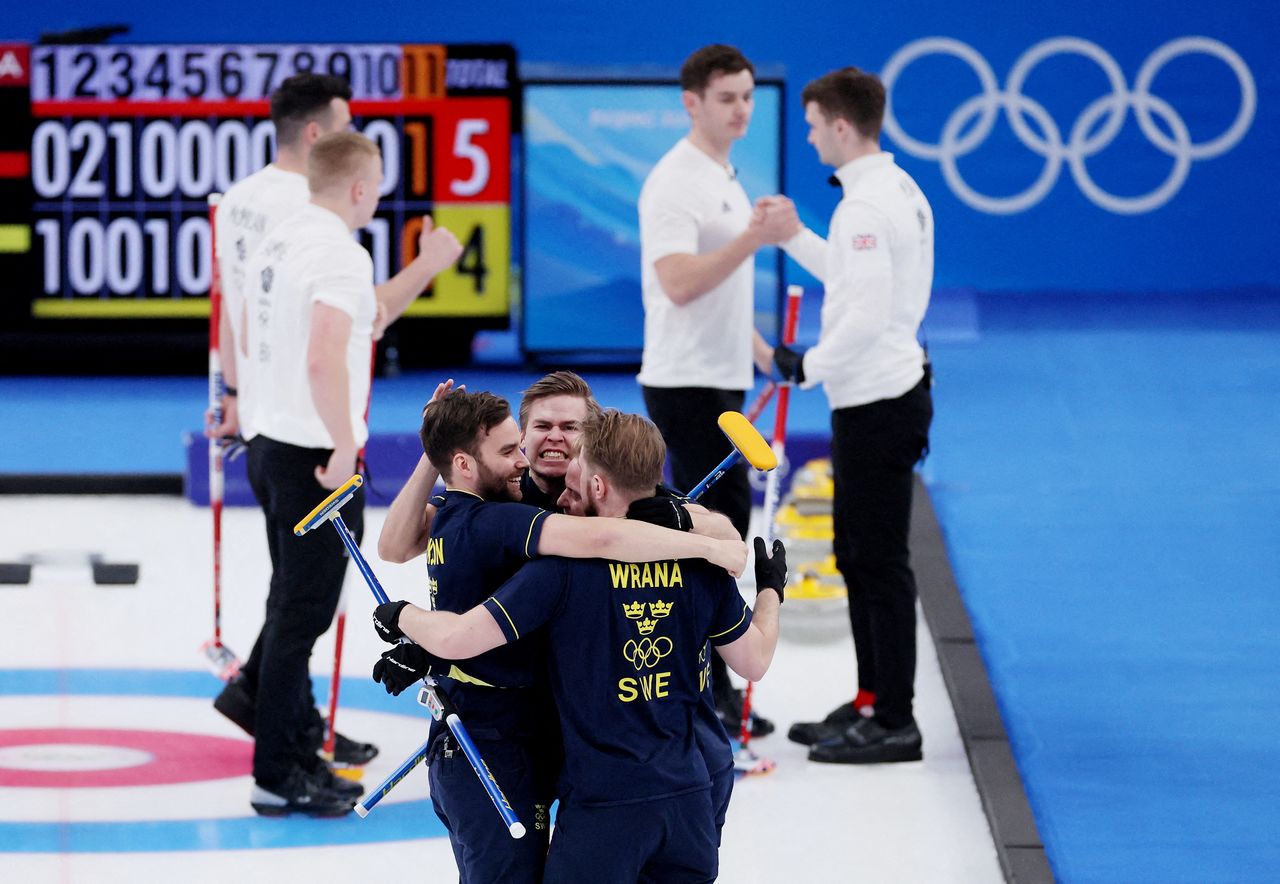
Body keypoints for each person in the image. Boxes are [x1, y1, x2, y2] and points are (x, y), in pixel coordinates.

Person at [373, 410, 786, 883]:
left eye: (574, 477)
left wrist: (403, 618)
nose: (561, 490)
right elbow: (754, 660)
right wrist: (771, 590)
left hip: (604, 809)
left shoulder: (558, 574)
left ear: (597, 487)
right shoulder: (696, 565)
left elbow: (461, 637)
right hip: (689, 800)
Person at [210, 74, 463, 768]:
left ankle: (279, 724)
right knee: (304, 610)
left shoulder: (273, 235)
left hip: (269, 434)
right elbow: (328, 356)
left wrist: (235, 396)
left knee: (296, 599)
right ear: (357, 187)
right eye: (377, 181)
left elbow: (246, 320)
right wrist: (347, 444)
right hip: (310, 445)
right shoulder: (336, 251)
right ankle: (280, 766)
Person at [760, 67, 934, 764]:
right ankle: (871, 700)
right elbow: (858, 279)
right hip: (881, 397)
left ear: (839, 125)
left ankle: (894, 717)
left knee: (877, 562)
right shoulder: (893, 189)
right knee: (860, 557)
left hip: (877, 403)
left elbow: (861, 316)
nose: (808, 138)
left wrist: (804, 366)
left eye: (811, 125)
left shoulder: (866, 207)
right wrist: (795, 235)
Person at [637, 43, 795, 737]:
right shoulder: (677, 181)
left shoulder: (726, 176)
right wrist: (754, 241)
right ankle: (707, 690)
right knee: (710, 539)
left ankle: (716, 683)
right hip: (686, 384)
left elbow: (720, 296)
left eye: (748, 97)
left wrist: (765, 354)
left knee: (722, 534)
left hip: (722, 375)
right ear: (692, 102)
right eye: (727, 97)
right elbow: (678, 283)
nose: (742, 110)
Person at [208, 71, 461, 441]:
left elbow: (235, 305)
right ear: (314, 133)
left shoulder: (236, 199)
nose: (352, 136)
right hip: (309, 424)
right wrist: (428, 264)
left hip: (260, 413)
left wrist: (232, 392)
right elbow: (368, 315)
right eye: (344, 126)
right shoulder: (310, 209)